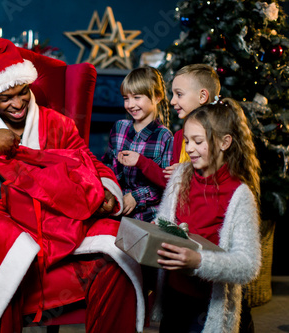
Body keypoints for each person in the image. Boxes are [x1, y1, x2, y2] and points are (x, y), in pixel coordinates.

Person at [0, 38, 145, 333]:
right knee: (6, 242)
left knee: (117, 244)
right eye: (7, 97)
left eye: (23, 92)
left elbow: (88, 161)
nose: (19, 103)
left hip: (53, 213)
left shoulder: (57, 124)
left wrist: (105, 192)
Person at [153, 98, 261, 333]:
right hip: (173, 296)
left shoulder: (239, 194)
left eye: (198, 141)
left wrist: (199, 262)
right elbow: (166, 222)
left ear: (225, 142)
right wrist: (157, 229)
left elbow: (248, 265)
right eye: (187, 141)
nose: (189, 148)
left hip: (207, 304)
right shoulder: (180, 175)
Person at [120, 64, 220, 189]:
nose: (172, 101)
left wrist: (186, 172)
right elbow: (167, 181)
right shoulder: (179, 137)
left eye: (179, 94)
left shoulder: (219, 134)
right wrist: (141, 161)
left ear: (202, 96)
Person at [102, 67, 173, 222]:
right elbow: (106, 164)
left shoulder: (164, 136)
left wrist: (136, 197)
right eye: (126, 98)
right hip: (115, 210)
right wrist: (108, 190)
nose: (130, 104)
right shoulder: (119, 128)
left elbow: (168, 184)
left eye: (137, 97)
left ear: (157, 97)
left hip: (148, 216)